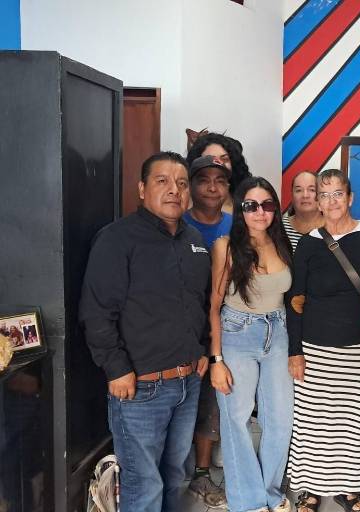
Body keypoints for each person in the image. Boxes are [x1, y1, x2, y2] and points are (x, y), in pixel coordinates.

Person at [80, 151, 211, 511]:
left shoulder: (194, 241)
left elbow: (199, 305)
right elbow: (96, 311)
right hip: (141, 388)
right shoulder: (117, 239)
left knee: (175, 475)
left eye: (181, 183)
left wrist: (201, 351)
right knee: (144, 484)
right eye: (162, 181)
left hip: (188, 383)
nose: (174, 190)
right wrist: (115, 368)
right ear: (142, 189)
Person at [286, 169, 360, 512]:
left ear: (350, 198)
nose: (331, 202)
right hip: (315, 349)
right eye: (324, 195)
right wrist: (295, 351)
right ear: (318, 201)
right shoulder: (309, 243)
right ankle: (310, 490)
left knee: (353, 424)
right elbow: (295, 300)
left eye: (337, 194)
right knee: (313, 425)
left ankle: (351, 488)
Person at [207, 176, 294, 512]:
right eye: (251, 205)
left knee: (280, 419)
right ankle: (247, 501)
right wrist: (216, 359)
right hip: (237, 332)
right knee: (236, 417)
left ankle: (270, 493)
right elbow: (214, 306)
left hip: (279, 332)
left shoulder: (283, 242)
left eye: (267, 204)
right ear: (240, 209)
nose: (260, 212)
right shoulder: (226, 246)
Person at [181, 154, 232, 508]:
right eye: (203, 180)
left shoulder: (236, 225)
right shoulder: (177, 223)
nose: (212, 188)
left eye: (220, 180)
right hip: (181, 328)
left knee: (211, 402)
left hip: (225, 327)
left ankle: (201, 472)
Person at [187, 132, 252, 213]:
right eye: (210, 159)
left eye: (224, 159)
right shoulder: (184, 204)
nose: (218, 163)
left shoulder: (246, 202)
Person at [283, 170, 324, 251]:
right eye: (299, 190)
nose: (305, 195)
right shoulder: (279, 228)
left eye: (312, 190)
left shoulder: (335, 228)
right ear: (292, 195)